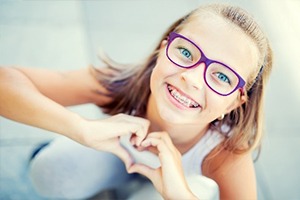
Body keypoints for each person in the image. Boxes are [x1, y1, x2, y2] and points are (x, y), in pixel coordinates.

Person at [0, 3, 273, 200]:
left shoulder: (225, 155)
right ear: (162, 50)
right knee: (51, 171)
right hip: (114, 157)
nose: (192, 79)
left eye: (222, 77)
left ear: (234, 104)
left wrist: (179, 195)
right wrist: (78, 127)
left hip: (174, 187)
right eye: (186, 52)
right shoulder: (121, 83)